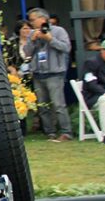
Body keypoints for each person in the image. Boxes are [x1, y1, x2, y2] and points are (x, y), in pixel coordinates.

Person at [21, 7, 72, 141]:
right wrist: (32, 40)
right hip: (38, 73)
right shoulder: (32, 33)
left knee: (58, 104)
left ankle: (66, 132)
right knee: (42, 106)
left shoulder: (58, 31)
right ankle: (49, 132)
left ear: (42, 19)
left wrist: (50, 39)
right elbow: (27, 52)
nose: (31, 23)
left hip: (54, 73)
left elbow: (66, 48)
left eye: (33, 20)